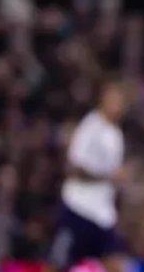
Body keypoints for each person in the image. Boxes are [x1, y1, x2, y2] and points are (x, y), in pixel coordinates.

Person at [49, 78, 129, 272]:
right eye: (113, 99)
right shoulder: (90, 127)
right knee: (57, 264)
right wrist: (107, 176)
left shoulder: (115, 134)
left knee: (116, 264)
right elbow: (74, 167)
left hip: (102, 214)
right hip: (78, 207)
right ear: (103, 99)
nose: (117, 105)